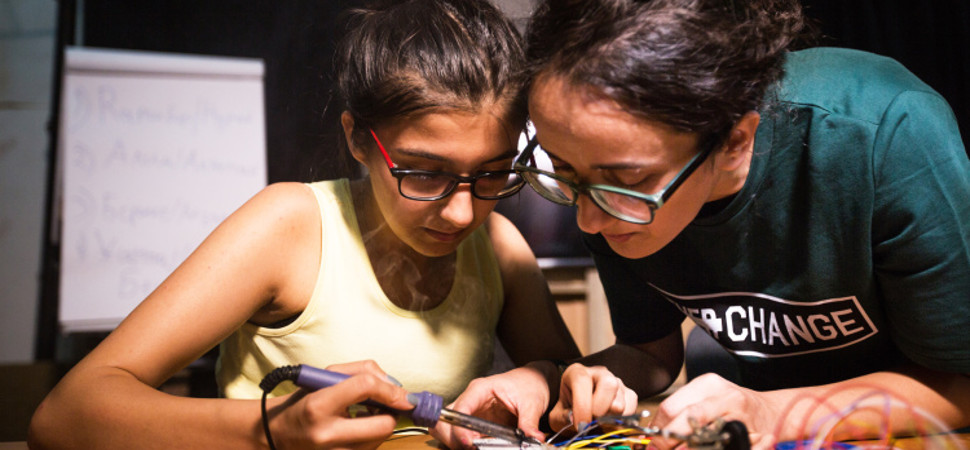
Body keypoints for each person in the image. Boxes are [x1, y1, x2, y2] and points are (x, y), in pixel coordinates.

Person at [28, 1, 623, 448]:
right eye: (423, 173)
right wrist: (271, 430)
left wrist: (542, 380)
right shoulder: (290, 228)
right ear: (358, 138)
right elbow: (65, 415)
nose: (463, 211)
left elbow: (565, 386)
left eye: (492, 175)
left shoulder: (497, 245)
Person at [439, 0, 970, 448]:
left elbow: (958, 383)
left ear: (735, 142)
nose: (590, 218)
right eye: (567, 172)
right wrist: (555, 377)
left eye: (625, 181)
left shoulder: (886, 136)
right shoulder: (605, 183)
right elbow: (651, 355)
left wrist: (772, 413)